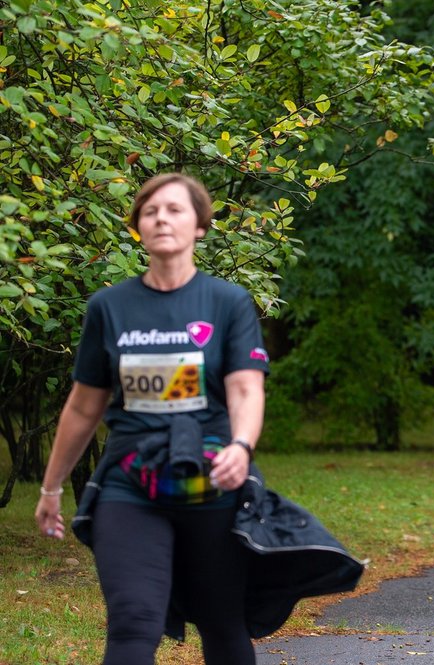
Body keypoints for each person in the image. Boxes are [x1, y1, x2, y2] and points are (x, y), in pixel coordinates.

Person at [35, 173, 271, 664]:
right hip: (129, 484)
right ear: (138, 227)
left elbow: (246, 387)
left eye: (174, 209)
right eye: (150, 211)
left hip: (210, 480)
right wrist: (52, 487)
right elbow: (83, 405)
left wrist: (241, 447)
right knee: (132, 621)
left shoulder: (228, 303)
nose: (161, 218)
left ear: (200, 226)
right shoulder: (109, 307)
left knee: (223, 624)